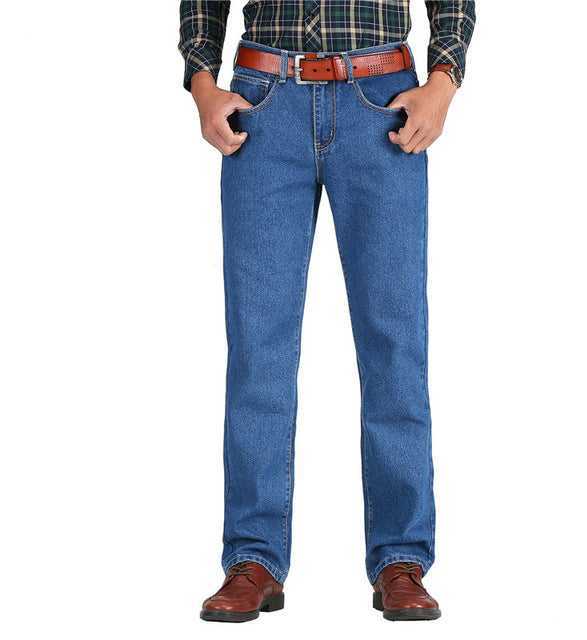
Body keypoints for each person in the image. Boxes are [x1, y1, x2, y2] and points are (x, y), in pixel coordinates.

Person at [178, 0, 475, 623]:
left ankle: (401, 557)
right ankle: (253, 558)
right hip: (263, 103)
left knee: (394, 340)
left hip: (383, 103)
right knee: (258, 346)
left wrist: (443, 81)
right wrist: (202, 82)